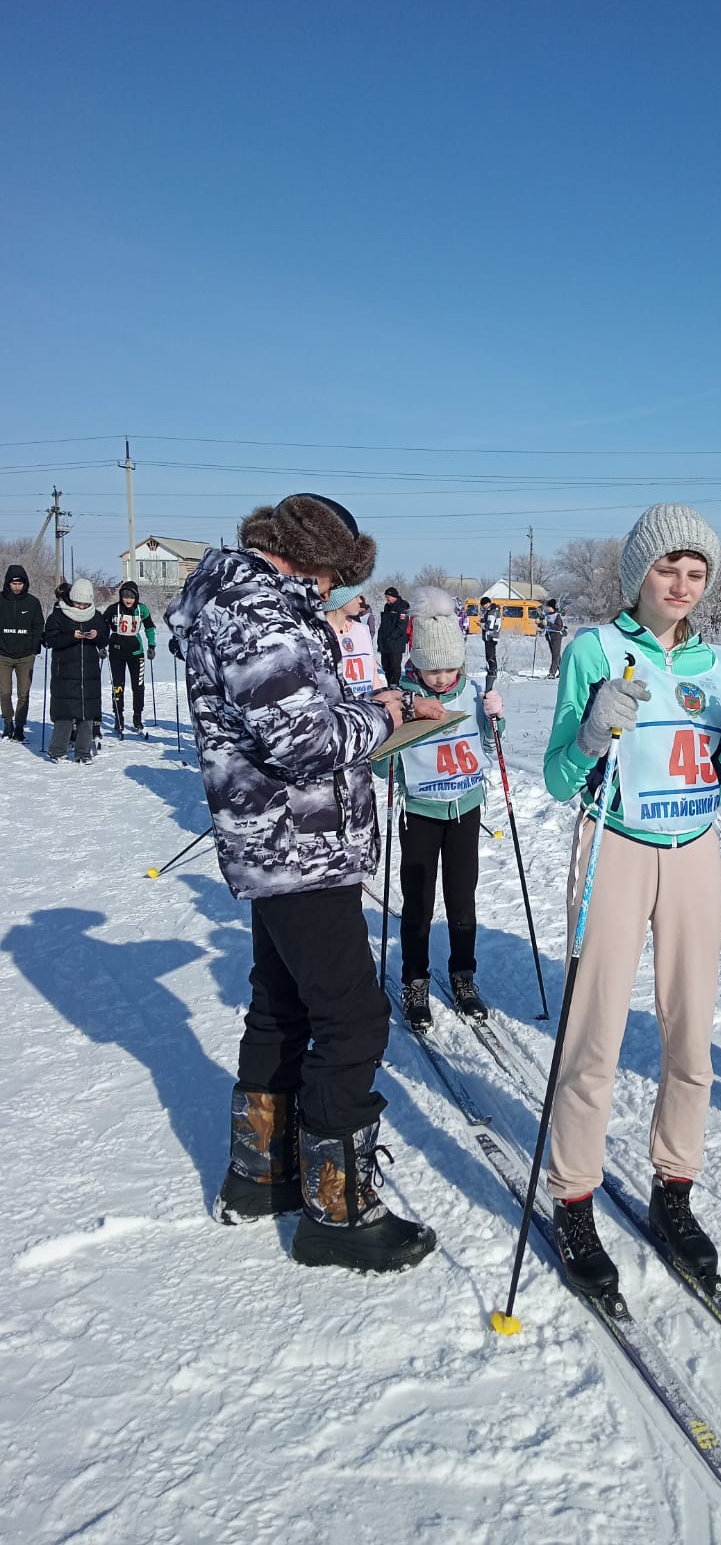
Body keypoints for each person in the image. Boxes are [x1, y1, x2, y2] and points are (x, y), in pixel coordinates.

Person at [166, 493, 444, 1275]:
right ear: (306, 558)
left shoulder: (249, 599)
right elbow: (303, 738)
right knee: (353, 1018)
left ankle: (261, 1176)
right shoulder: (254, 608)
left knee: (281, 1004)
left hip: (286, 839)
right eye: (329, 576)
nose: (328, 591)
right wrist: (386, 717)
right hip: (297, 843)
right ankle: (339, 1209)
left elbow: (295, 709)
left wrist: (371, 704)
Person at [542, 504, 721, 1298]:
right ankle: (574, 1194)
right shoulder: (595, 650)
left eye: (695, 572)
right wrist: (590, 734)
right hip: (613, 844)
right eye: (666, 569)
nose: (680, 585)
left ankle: (673, 1185)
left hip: (693, 852)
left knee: (691, 1034)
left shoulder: (720, 662)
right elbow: (555, 778)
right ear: (636, 572)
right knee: (596, 1032)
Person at [385, 587, 505, 1031]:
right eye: (432, 668)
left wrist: (495, 717)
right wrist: (394, 728)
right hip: (419, 811)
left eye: (449, 667)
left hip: (466, 809)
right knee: (418, 901)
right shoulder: (403, 699)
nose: (440, 677)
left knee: (462, 898)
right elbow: (382, 770)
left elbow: (492, 746)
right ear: (415, 661)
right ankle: (414, 980)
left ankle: (463, 975)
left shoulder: (472, 692)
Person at [43, 579, 109, 762]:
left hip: (88, 673)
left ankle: (83, 752)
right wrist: (71, 637)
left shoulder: (96, 616)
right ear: (71, 599)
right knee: (64, 713)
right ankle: (57, 750)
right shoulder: (58, 616)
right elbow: (49, 640)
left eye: (85, 603)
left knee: (87, 713)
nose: (81, 606)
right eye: (78, 602)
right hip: (64, 672)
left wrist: (97, 636)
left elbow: (105, 639)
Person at [101, 580, 157, 737]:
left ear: (136, 597)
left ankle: (137, 718)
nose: (128, 600)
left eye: (131, 596)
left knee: (138, 686)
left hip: (136, 653)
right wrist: (102, 646)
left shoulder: (142, 610)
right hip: (116, 652)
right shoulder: (113, 609)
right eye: (125, 596)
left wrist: (151, 646)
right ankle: (118, 718)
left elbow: (150, 628)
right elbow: (103, 629)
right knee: (118, 686)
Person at [0, 564, 44, 743]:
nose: (17, 586)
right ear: (7, 583)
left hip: (25, 656)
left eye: (20, 583)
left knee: (23, 693)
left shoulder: (32, 602)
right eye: (13, 583)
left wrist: (33, 646)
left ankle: (19, 726)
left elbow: (38, 626)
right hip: (3, 655)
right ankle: (8, 722)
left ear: (25, 583)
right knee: (4, 692)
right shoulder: (1, 600)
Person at [324, 584, 378, 697]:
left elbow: (373, 674)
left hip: (367, 706)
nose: (360, 601)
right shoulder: (319, 634)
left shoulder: (363, 630)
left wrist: (381, 700)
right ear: (339, 599)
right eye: (356, 596)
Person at [378, 587, 410, 686]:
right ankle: (388, 684)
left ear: (394, 596)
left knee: (394, 665)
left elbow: (401, 626)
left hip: (396, 643)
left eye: (388, 597)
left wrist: (392, 636)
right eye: (386, 597)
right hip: (385, 643)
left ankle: (395, 684)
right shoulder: (387, 607)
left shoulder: (402, 607)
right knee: (386, 665)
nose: (387, 599)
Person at [479, 594, 502, 684]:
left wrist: (481, 624)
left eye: (484, 605)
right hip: (493, 636)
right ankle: (493, 671)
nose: (483, 607)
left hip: (490, 636)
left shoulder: (492, 611)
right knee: (491, 655)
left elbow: (490, 626)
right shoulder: (494, 610)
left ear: (487, 603)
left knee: (490, 655)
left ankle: (493, 673)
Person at [543, 598, 567, 679]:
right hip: (549, 635)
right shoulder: (547, 615)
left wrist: (548, 623)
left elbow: (558, 627)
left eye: (548, 607)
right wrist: (539, 624)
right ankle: (563, 671)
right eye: (547, 607)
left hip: (556, 636)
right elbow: (545, 625)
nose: (547, 608)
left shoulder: (557, 616)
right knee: (556, 655)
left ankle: (552, 672)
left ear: (552, 607)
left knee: (555, 655)